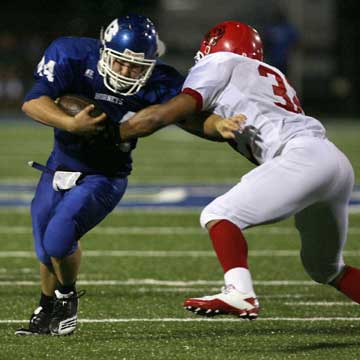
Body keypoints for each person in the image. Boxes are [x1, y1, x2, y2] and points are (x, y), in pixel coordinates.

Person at [117, 20, 360, 319]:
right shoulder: (271, 73)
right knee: (325, 267)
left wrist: (118, 133)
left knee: (218, 214)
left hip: (301, 157)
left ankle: (240, 292)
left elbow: (178, 110)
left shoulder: (219, 61)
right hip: (332, 163)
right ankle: (240, 292)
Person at [15, 14, 185, 336]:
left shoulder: (163, 82)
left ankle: (67, 299)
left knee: (58, 236)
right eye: (120, 63)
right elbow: (32, 103)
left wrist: (219, 127)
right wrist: (70, 124)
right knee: (43, 245)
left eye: (136, 67)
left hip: (105, 174)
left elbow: (192, 114)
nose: (126, 72)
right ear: (104, 50)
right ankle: (46, 305)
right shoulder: (72, 54)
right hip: (59, 165)